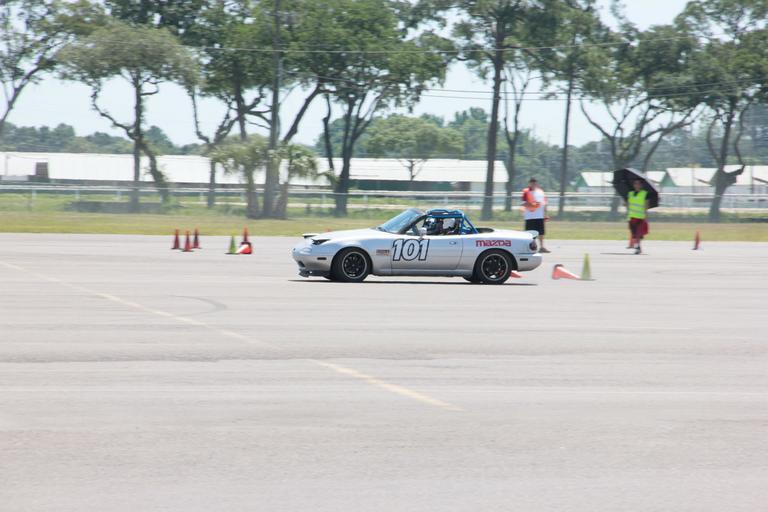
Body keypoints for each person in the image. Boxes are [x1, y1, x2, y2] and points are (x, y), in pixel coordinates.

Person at [522, 177, 549, 253]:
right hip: (530, 217)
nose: (533, 184)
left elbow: (545, 203)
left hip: (539, 216)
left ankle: (542, 247)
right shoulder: (526, 192)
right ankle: (531, 247)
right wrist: (532, 205)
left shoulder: (540, 192)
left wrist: (545, 214)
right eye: (532, 182)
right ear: (529, 183)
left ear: (536, 183)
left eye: (534, 182)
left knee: (541, 233)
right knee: (530, 233)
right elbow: (523, 203)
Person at [627, 179, 649, 254]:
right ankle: (637, 246)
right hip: (632, 216)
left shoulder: (644, 194)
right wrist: (626, 204)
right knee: (634, 234)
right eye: (635, 183)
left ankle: (638, 247)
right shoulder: (630, 194)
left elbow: (646, 205)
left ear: (641, 185)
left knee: (638, 233)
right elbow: (629, 205)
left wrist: (646, 216)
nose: (637, 185)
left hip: (640, 217)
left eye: (638, 184)